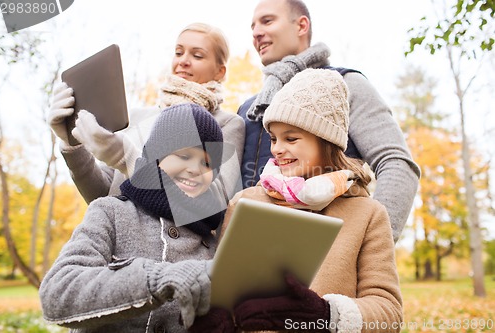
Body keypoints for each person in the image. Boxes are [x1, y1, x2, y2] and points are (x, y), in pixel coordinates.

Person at [191, 69, 403, 333]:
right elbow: (218, 284)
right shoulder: (246, 202)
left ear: (325, 142)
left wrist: (327, 314)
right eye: (273, 138)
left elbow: (389, 312)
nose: (277, 149)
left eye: (290, 138)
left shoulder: (368, 214)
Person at [238, 0, 420, 243]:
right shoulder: (249, 108)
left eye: (267, 21)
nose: (256, 32)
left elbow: (396, 163)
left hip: (328, 260)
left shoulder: (347, 84)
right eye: (252, 27)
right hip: (251, 253)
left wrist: (371, 246)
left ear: (301, 25)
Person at [40, 103, 227, 333]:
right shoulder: (110, 212)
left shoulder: (214, 243)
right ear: (155, 155)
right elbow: (56, 295)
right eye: (184, 154)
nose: (195, 169)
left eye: (207, 163)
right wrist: (156, 279)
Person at [48, 22, 244, 204]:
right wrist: (71, 144)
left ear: (220, 71)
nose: (183, 61)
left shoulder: (227, 123)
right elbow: (102, 195)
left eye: (197, 55)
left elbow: (216, 201)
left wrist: (127, 159)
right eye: (178, 52)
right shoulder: (136, 117)